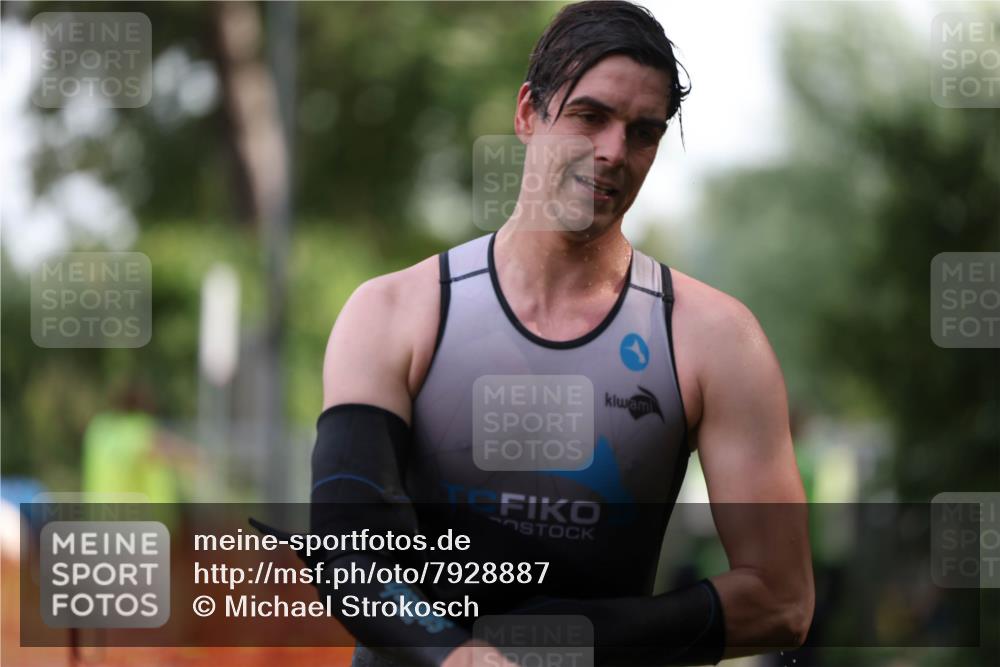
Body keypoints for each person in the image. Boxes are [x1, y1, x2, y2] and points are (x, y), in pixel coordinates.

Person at [270, 2, 815, 666]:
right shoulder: (393, 312)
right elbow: (348, 550)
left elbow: (784, 602)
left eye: (643, 132)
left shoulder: (715, 339)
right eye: (591, 116)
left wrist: (562, 639)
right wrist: (456, 655)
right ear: (528, 113)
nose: (614, 151)